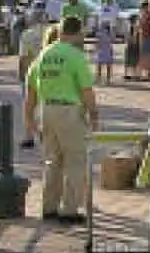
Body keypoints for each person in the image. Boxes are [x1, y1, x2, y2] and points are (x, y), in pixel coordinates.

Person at [23, 15, 100, 225]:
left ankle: (49, 207)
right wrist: (94, 115)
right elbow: (86, 90)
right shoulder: (75, 56)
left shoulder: (43, 55)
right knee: (75, 160)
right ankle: (69, 210)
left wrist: (29, 121)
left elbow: (30, 92)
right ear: (77, 33)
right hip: (69, 111)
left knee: (52, 161)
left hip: (46, 109)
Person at [17, 16, 46, 149]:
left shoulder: (26, 35)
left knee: (29, 107)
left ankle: (29, 136)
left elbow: (23, 57)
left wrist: (21, 75)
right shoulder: (51, 32)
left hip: (31, 72)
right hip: (48, 73)